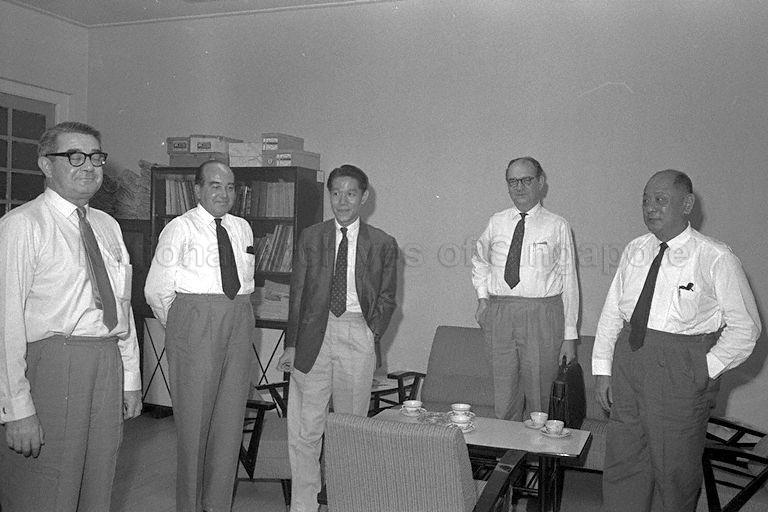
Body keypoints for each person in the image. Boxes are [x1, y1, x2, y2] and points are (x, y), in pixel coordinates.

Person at [593, 170, 761, 512]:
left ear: (686, 204)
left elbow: (747, 328)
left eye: (660, 199)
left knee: (675, 474)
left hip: (679, 374)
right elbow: (613, 312)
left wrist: (704, 369)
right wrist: (602, 370)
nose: (650, 207)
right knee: (623, 465)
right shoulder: (635, 249)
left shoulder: (715, 257)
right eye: (645, 199)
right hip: (630, 365)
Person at [0, 121, 142, 511]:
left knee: (98, 482)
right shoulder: (22, 226)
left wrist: (130, 378)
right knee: (46, 487)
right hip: (51, 365)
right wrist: (17, 410)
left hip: (105, 364)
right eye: (74, 156)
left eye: (96, 156)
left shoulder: (107, 226)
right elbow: (4, 324)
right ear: (46, 165)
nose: (89, 166)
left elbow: (122, 308)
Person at [277, 164, 398, 512]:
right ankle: (303, 505)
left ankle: (347, 502)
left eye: (350, 193)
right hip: (314, 334)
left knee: (349, 429)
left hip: (357, 333)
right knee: (305, 429)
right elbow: (297, 294)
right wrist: (291, 343)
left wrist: (370, 331)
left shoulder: (383, 243)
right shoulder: (311, 237)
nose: (342, 201)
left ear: (364, 197)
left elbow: (388, 297)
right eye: (335, 193)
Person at [144, 160, 255, 512]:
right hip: (194, 322)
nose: (224, 193)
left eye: (230, 187)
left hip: (238, 317)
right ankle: (190, 506)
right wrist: (181, 327)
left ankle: (217, 504)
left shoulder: (243, 228)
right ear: (198, 189)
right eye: (215, 185)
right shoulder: (179, 228)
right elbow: (156, 290)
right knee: (194, 422)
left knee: (231, 416)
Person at [471, 156, 579, 421]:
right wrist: (483, 299)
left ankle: (539, 460)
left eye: (526, 180)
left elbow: (570, 282)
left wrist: (570, 336)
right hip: (500, 315)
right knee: (504, 397)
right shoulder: (496, 221)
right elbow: (479, 261)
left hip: (542, 315)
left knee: (540, 400)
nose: (519, 187)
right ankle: (508, 460)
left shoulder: (557, 225)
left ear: (540, 183)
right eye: (512, 181)